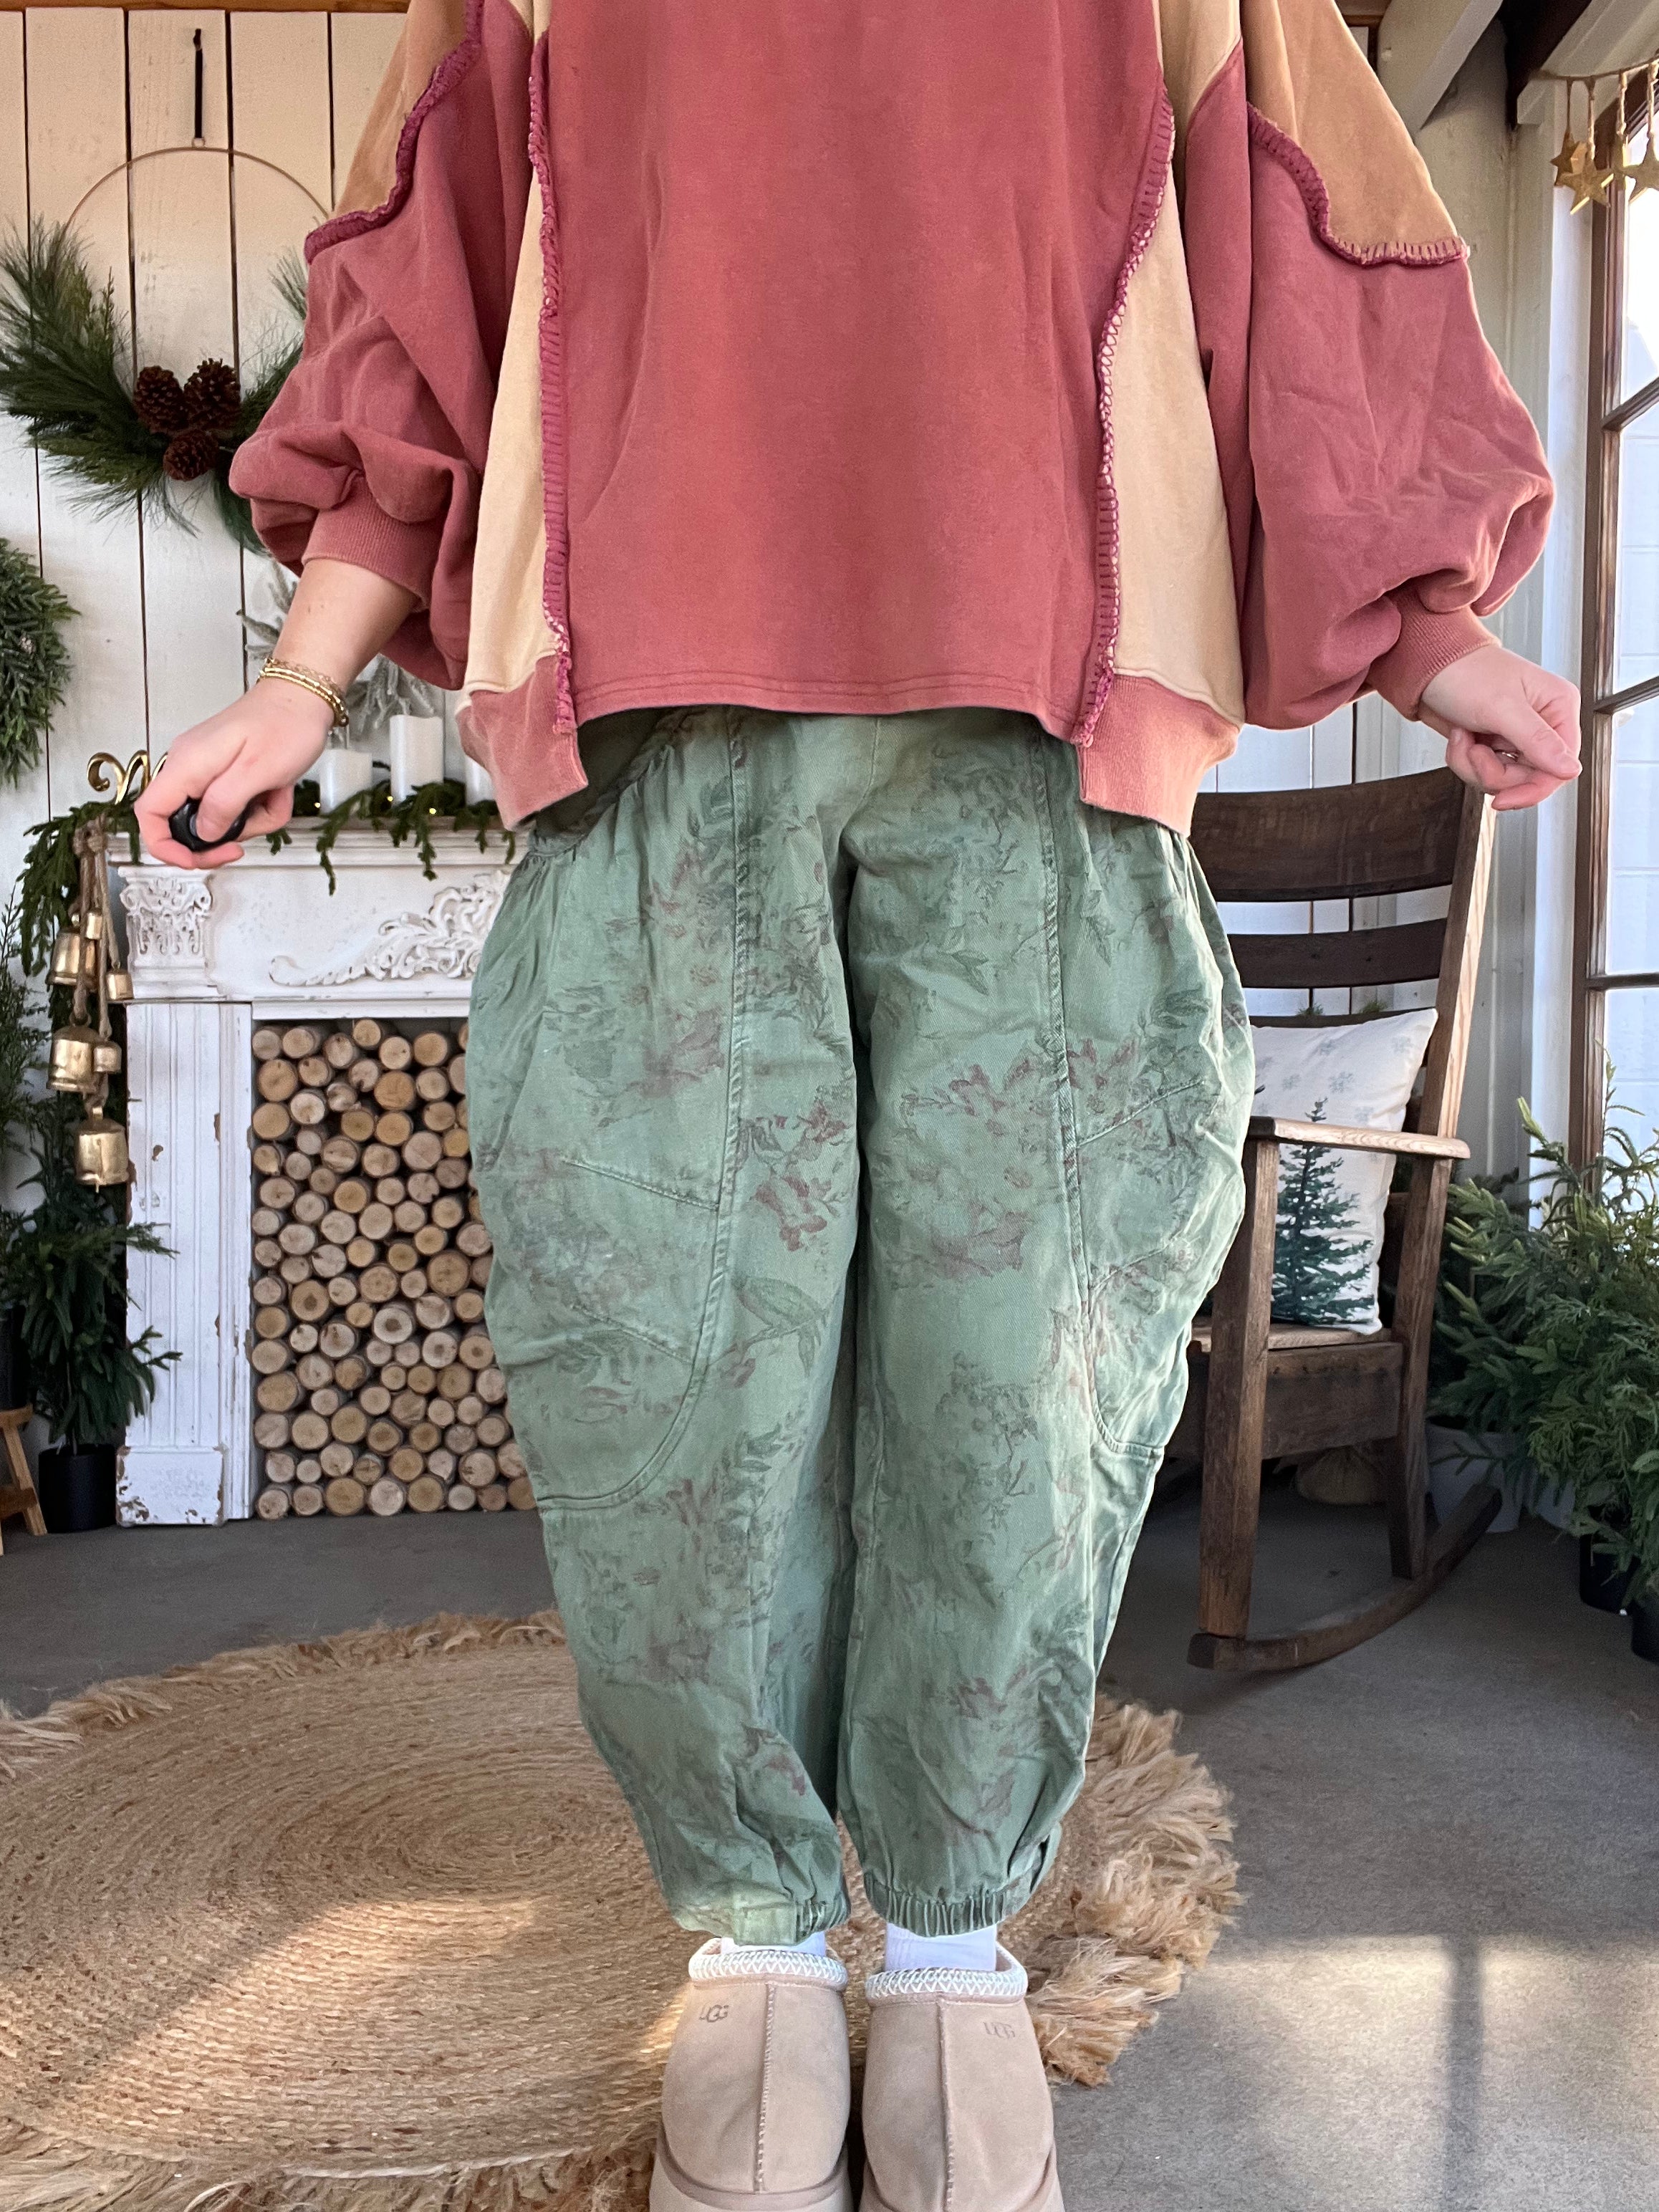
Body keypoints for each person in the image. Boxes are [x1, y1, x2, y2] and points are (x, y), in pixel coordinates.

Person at [137, 0, 1578, 2205]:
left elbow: (1303, 253)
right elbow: (430, 290)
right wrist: (299, 677)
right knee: (669, 1373)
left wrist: (1434, 635)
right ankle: (749, 1937)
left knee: (1021, 1379)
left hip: (1049, 741)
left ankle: (943, 1944)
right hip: (649, 743)